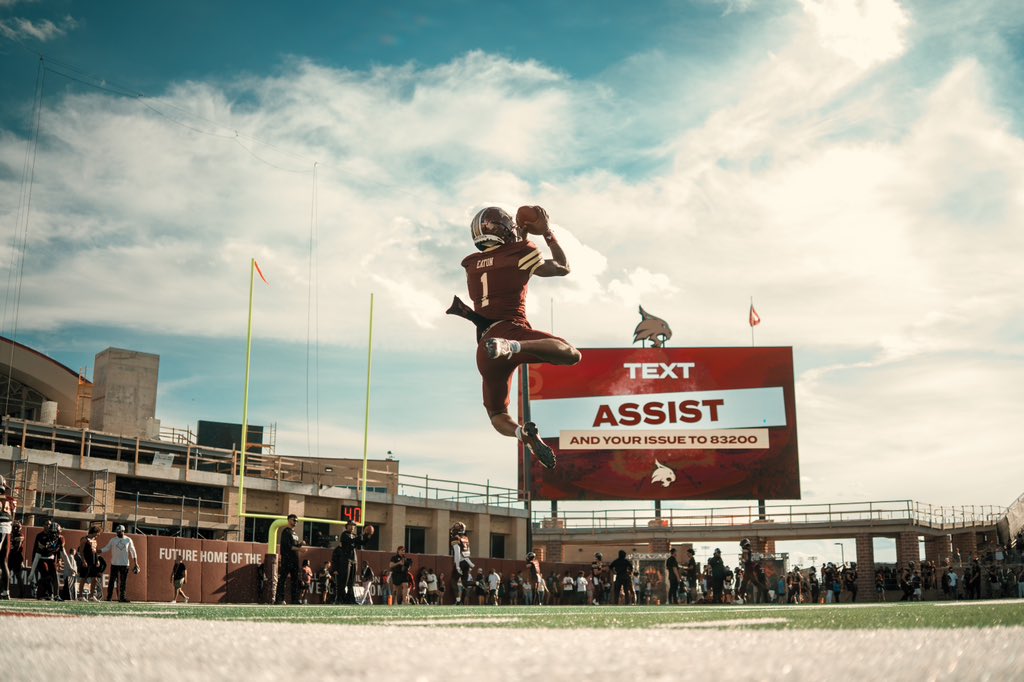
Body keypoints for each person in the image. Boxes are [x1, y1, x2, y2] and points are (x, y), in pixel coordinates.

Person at [447, 205, 582, 470]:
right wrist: (547, 234)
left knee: (497, 414)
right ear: (504, 229)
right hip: (509, 332)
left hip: (485, 347)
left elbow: (501, 261)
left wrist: (519, 234)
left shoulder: (470, 264)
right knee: (571, 353)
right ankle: (514, 347)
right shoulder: (522, 252)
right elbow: (562, 267)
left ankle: (521, 434)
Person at [332, 520, 374, 604]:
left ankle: (350, 599)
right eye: (350, 525)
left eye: (354, 526)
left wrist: (368, 536)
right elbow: (352, 541)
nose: (352, 527)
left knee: (351, 582)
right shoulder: (344, 535)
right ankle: (340, 599)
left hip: (353, 559)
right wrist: (364, 533)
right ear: (346, 526)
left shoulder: (354, 535)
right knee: (344, 581)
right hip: (346, 559)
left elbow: (362, 543)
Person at [99, 523, 140, 602]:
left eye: (119, 531)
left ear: (123, 531)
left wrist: (136, 563)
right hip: (114, 563)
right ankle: (109, 597)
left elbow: (133, 552)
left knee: (123, 582)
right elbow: (107, 548)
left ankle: (122, 598)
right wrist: (100, 550)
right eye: (117, 532)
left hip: (124, 564)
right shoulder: (113, 540)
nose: (117, 533)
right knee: (112, 581)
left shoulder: (128, 540)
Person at [274, 514, 304, 605]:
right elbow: (288, 546)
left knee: (295, 580)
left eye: (296, 521)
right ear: (288, 520)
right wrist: (299, 549)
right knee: (283, 579)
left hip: (295, 560)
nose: (295, 522)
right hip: (287, 559)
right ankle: (280, 599)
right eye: (293, 520)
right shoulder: (286, 532)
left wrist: (300, 544)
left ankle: (295, 599)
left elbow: (294, 545)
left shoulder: (295, 533)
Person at [450, 521, 474, 602]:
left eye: (455, 527)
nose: (453, 529)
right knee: (465, 583)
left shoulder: (456, 537)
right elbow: (468, 552)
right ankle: (478, 583)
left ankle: (458, 601)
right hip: (467, 561)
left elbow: (457, 552)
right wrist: (470, 563)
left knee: (453, 581)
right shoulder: (465, 538)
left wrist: (457, 566)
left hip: (460, 561)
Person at [78, 524, 103, 601]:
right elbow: (81, 552)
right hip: (86, 561)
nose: (98, 535)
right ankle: (80, 596)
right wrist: (83, 561)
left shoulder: (95, 540)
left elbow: (95, 551)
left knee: (95, 579)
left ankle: (92, 596)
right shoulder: (84, 539)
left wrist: (97, 560)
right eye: (98, 533)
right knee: (84, 578)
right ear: (94, 532)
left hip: (94, 561)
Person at [0, 476, 15, 600]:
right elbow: (12, 518)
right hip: (7, 529)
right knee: (3, 562)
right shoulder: (11, 500)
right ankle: (6, 592)